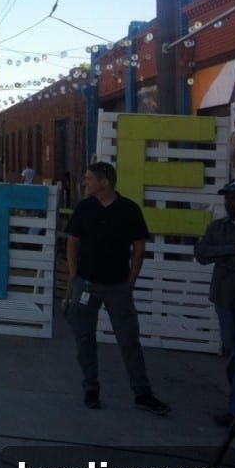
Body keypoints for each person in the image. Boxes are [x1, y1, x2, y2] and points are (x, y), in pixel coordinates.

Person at [65, 161, 170, 415]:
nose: (84, 182)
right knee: (84, 338)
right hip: (86, 284)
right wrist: (73, 276)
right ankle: (91, 389)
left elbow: (139, 247)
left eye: (89, 179)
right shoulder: (84, 208)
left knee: (129, 340)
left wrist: (130, 281)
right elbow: (72, 241)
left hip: (117, 287)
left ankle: (142, 393)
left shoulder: (128, 210)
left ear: (104, 182)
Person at [195, 178, 235, 427]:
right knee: (230, 351)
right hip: (224, 297)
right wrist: (233, 249)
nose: (230, 202)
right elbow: (201, 253)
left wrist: (222, 254)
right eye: (228, 198)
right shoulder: (218, 227)